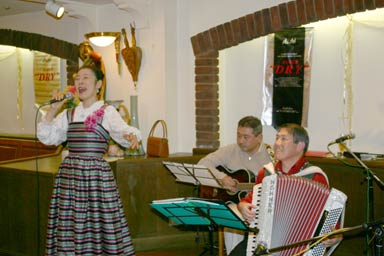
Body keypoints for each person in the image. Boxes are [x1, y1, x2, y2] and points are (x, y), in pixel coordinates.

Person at [37, 53, 140, 255]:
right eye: (77, 79)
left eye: (85, 78)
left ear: (99, 84)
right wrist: (52, 110)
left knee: (99, 223)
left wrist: (131, 136)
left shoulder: (107, 111)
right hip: (70, 177)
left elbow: (122, 131)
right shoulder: (69, 113)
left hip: (96, 177)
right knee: (71, 223)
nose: (80, 82)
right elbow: (48, 138)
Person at [229, 123, 342, 256]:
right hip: (262, 242)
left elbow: (331, 220)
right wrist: (242, 207)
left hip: (300, 247)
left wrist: (335, 235)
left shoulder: (315, 176)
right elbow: (247, 201)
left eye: (283, 139)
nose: (277, 143)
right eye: (277, 138)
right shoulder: (266, 173)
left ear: (300, 145)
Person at [197, 116, 274, 254]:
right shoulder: (230, 150)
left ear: (259, 137)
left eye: (246, 137)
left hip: (261, 205)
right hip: (234, 203)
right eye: (238, 135)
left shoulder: (271, 155)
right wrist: (222, 177)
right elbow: (202, 164)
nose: (240, 141)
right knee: (232, 216)